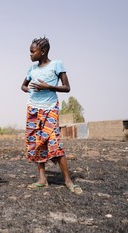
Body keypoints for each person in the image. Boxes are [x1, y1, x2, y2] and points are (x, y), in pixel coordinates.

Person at [20, 36, 82, 194]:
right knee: (36, 143)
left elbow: (67, 87)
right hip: (33, 110)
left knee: (55, 143)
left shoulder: (56, 64)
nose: (30, 55)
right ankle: (42, 179)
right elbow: (23, 86)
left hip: (50, 109)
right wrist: (31, 91)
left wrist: (47, 87)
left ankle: (68, 181)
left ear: (42, 51)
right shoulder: (32, 69)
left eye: (32, 52)